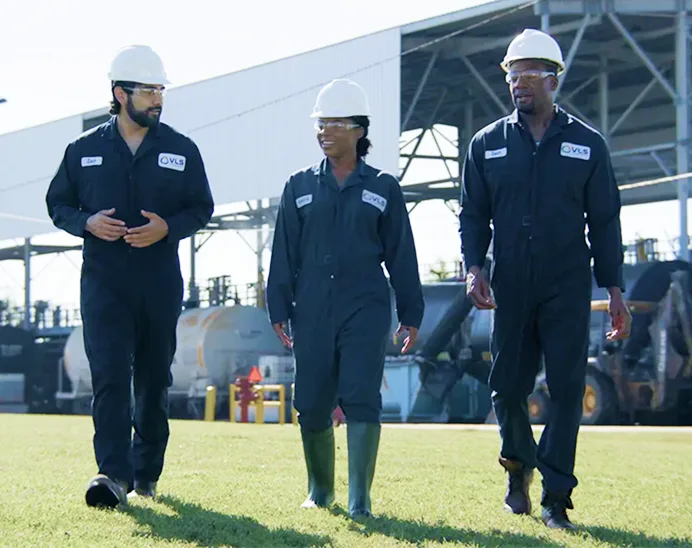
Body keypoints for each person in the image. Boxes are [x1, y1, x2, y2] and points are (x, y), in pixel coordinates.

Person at [458, 29, 632, 531]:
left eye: (530, 73)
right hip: (510, 282)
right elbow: (473, 215)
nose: (519, 82)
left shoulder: (586, 144)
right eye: (513, 73)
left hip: (567, 283)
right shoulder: (486, 144)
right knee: (507, 387)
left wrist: (614, 289)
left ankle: (557, 496)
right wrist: (474, 267)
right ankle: (518, 469)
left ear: (554, 79)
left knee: (566, 386)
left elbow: (605, 220)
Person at [45, 45, 214, 509]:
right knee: (110, 380)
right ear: (120, 94)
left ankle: (147, 474)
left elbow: (201, 207)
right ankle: (112, 475)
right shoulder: (83, 151)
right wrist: (86, 223)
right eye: (149, 90)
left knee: (154, 381)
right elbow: (57, 204)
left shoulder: (181, 149)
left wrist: (168, 228)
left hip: (159, 284)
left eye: (161, 90)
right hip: (104, 285)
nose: (158, 99)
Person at [266, 78, 425, 518]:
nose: (324, 132)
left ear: (359, 130)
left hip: (365, 305)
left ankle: (360, 500)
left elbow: (402, 255)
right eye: (320, 123)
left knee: (360, 395)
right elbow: (283, 254)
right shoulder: (297, 187)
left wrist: (411, 313)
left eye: (335, 123)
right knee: (312, 400)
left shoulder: (383, 188)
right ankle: (320, 491)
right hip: (312, 305)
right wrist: (278, 306)